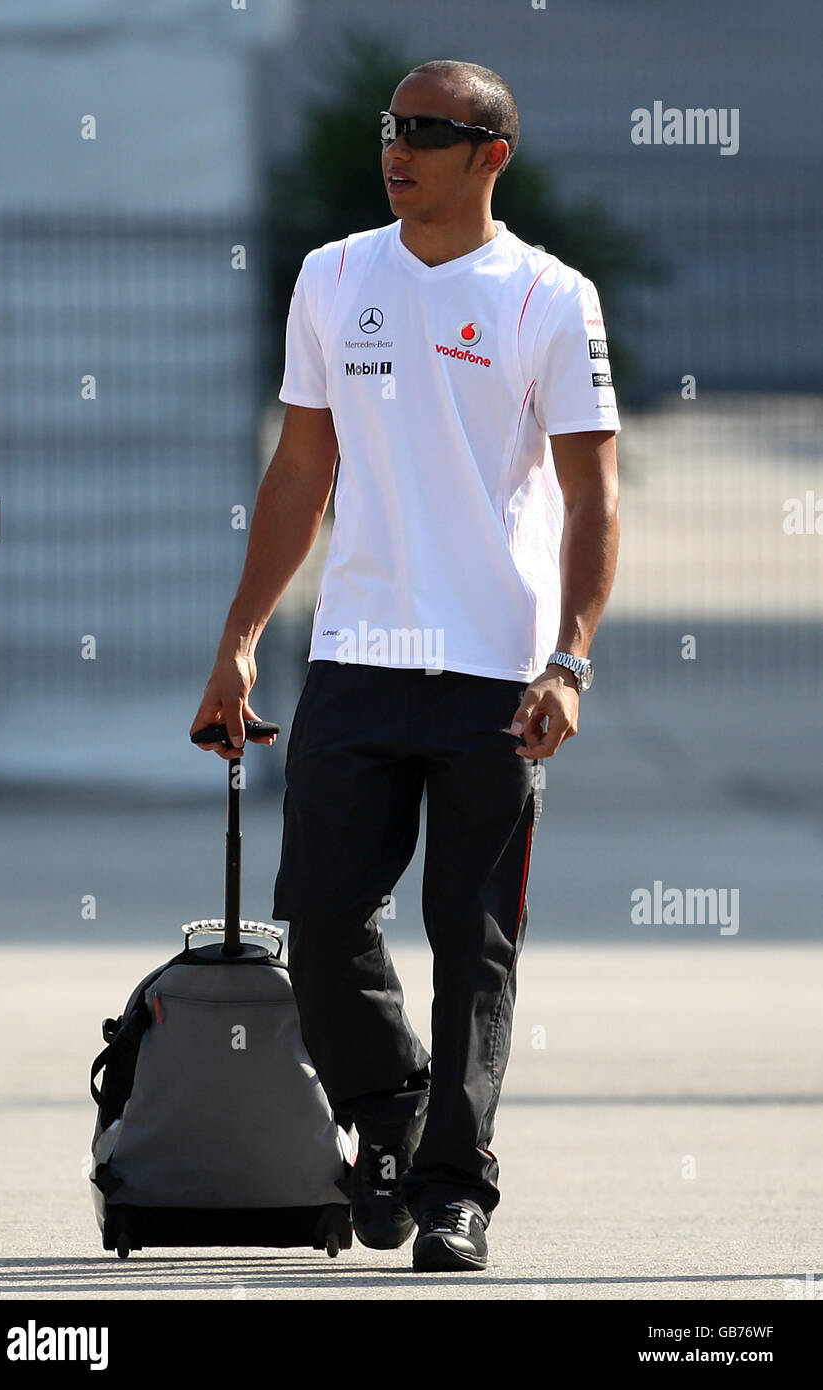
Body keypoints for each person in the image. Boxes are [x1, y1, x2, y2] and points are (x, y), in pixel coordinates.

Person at [191, 58, 620, 1273]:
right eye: (394, 126)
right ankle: (388, 1114)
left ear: (491, 154)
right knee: (321, 922)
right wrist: (238, 638)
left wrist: (567, 661)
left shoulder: (548, 295)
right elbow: (297, 470)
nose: (401, 147)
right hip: (358, 656)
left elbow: (592, 496)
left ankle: (451, 1187)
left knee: (468, 939)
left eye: (431, 130)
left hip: (497, 672)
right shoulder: (333, 276)